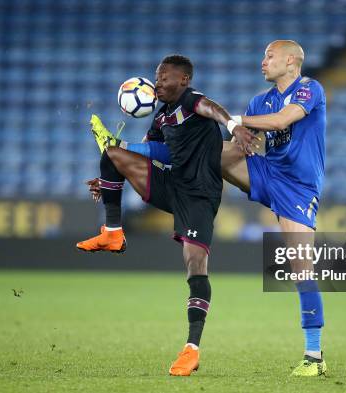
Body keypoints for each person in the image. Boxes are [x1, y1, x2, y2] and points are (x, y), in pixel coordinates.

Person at [76, 55, 253, 376]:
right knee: (112, 153)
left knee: (194, 264)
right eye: (156, 78)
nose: (157, 83)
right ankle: (113, 233)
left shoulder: (191, 100)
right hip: (173, 185)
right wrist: (115, 172)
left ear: (183, 80)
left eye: (164, 78)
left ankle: (191, 349)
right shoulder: (161, 118)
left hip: (200, 195)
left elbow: (210, 107)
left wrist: (233, 126)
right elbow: (154, 152)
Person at [221, 39, 328, 377]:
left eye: (270, 56)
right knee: (209, 154)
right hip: (268, 172)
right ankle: (146, 156)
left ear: (292, 61)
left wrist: (232, 119)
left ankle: (314, 356)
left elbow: (283, 121)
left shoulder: (310, 88)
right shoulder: (259, 101)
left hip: (298, 188)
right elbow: (243, 145)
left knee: (301, 268)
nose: (263, 61)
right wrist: (222, 141)